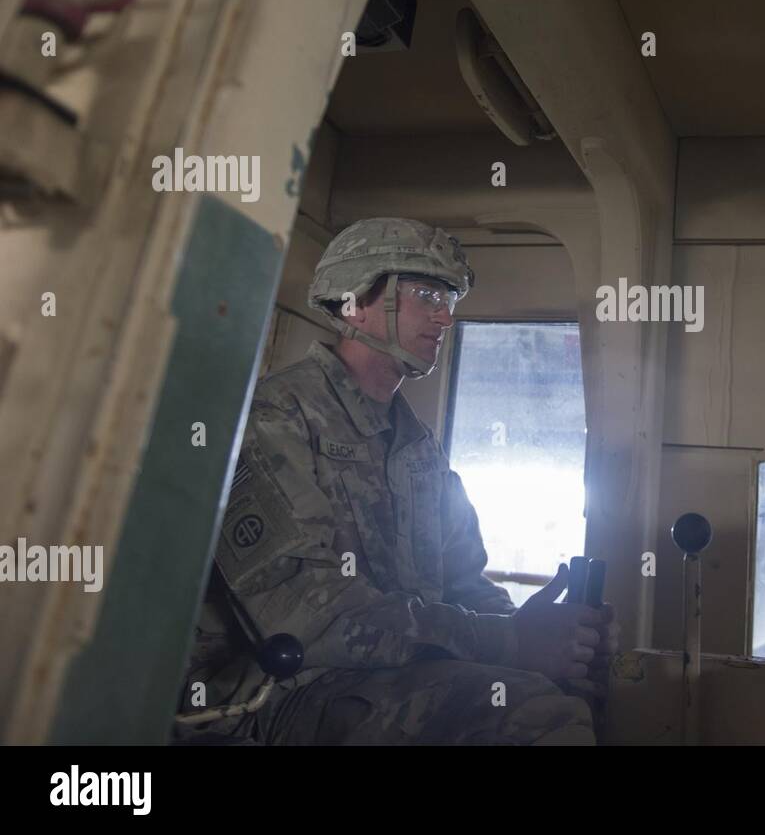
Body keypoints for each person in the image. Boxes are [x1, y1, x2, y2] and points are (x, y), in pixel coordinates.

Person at [178, 218, 616, 744]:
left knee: (567, 695)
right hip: (275, 696)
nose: (445, 315)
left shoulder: (417, 446)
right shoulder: (274, 420)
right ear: (355, 301)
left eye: (449, 297)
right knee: (532, 715)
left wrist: (546, 636)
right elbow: (303, 618)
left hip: (386, 678)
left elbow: (463, 582)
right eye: (427, 293)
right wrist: (507, 642)